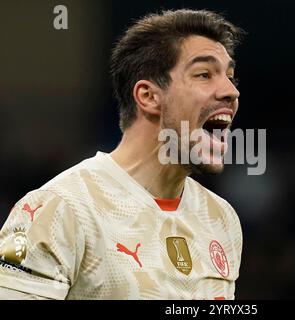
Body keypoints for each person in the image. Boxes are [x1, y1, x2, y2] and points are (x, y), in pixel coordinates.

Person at [0, 9, 244, 300]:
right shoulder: (58, 209)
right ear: (148, 96)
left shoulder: (221, 218)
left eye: (230, 77)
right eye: (204, 74)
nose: (231, 91)